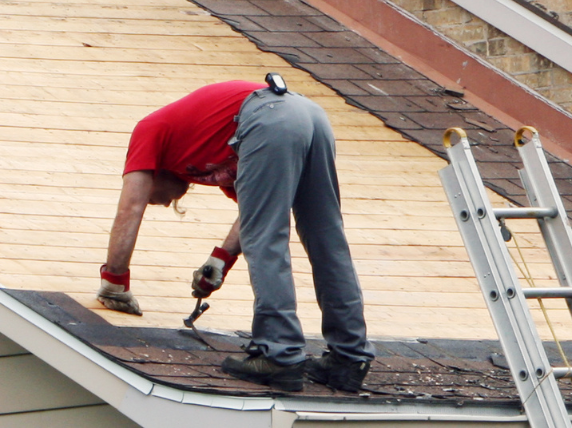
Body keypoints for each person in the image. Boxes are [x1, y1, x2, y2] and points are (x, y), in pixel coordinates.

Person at [98, 76, 375, 394]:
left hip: (268, 116)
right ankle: (349, 358)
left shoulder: (149, 129)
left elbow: (130, 209)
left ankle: (279, 353)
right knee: (326, 237)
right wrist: (220, 260)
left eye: (153, 195)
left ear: (155, 172)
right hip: (308, 115)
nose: (157, 201)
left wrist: (114, 283)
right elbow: (251, 214)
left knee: (267, 239)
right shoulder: (213, 156)